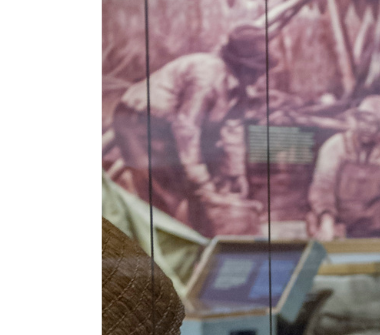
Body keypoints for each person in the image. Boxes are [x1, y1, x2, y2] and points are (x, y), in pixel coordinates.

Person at [113, 25, 268, 235]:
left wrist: (235, 173)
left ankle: (199, 242)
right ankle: (166, 249)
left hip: (172, 125)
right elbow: (187, 128)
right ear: (242, 65)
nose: (259, 75)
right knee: (164, 194)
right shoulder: (207, 76)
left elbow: (233, 130)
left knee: (200, 192)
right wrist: (201, 180)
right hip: (139, 120)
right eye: (256, 69)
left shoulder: (238, 88)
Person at [307, 95, 380, 241]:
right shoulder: (336, 146)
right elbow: (322, 186)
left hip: (368, 227)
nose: (367, 128)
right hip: (336, 221)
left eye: (374, 124)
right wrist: (327, 220)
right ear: (357, 121)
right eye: (364, 122)